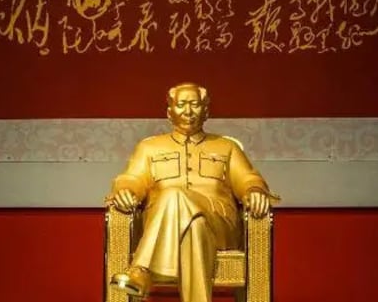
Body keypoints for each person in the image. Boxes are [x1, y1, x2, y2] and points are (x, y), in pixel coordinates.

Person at [106, 82, 278, 302]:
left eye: (195, 104)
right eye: (181, 105)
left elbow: (247, 177)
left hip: (218, 223)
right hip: (176, 225)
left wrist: (254, 189)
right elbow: (132, 178)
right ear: (169, 112)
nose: (188, 111)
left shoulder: (226, 147)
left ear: (206, 111)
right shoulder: (149, 148)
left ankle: (141, 270)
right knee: (194, 227)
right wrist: (125, 189)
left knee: (174, 194)